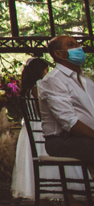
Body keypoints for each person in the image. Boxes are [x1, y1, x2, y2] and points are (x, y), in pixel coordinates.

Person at [37, 35, 94, 168]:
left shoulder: (87, 81)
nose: (78, 48)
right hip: (61, 140)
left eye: (77, 44)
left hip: (86, 138)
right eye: (71, 45)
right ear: (58, 54)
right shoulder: (54, 80)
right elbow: (69, 122)